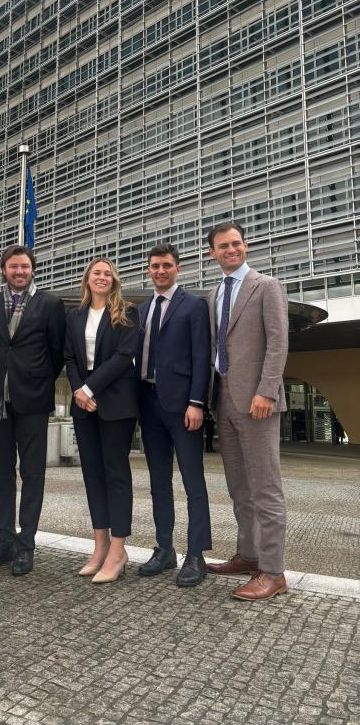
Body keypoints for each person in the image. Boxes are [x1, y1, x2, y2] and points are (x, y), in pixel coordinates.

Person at [206, 221, 289, 601]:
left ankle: (273, 572)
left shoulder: (266, 286)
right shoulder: (213, 295)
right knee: (240, 488)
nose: (230, 250)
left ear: (246, 246)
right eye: (222, 246)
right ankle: (248, 555)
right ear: (212, 252)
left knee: (266, 488)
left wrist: (266, 391)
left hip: (257, 401)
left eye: (235, 244)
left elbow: (277, 342)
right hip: (224, 400)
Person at [0, 245, 66, 576]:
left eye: (25, 266)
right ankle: (3, 541)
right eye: (13, 266)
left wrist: (37, 379)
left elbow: (57, 352)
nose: (19, 271)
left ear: (32, 270)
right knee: (2, 475)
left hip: (33, 400)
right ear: (3, 269)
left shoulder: (50, 303)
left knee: (32, 474)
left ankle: (25, 545)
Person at [135, 243, 212, 587]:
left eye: (166, 265)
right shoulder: (142, 309)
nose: (160, 271)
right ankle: (164, 548)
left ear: (177, 268)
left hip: (183, 407)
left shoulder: (194, 305)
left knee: (193, 481)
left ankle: (196, 554)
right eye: (155, 266)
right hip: (148, 404)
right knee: (158, 482)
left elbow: (201, 357)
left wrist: (197, 402)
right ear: (148, 270)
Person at [64, 257, 139, 583]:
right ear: (87, 279)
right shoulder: (75, 316)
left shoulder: (127, 312)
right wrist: (81, 390)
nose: (102, 277)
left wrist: (90, 387)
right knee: (93, 476)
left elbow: (124, 357)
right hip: (84, 404)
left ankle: (118, 551)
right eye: (97, 272)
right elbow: (69, 356)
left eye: (107, 273)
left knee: (116, 475)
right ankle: (100, 546)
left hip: (116, 403)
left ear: (114, 280)